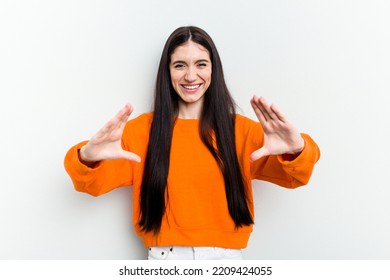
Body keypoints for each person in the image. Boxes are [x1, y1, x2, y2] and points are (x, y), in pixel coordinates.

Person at [64, 26, 320, 260]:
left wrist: (297, 149)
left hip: (227, 261)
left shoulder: (240, 130)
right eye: (179, 65)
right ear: (167, 72)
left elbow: (297, 177)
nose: (190, 75)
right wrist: (87, 157)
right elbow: (90, 184)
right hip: (165, 261)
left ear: (213, 69)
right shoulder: (141, 131)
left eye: (201, 64)